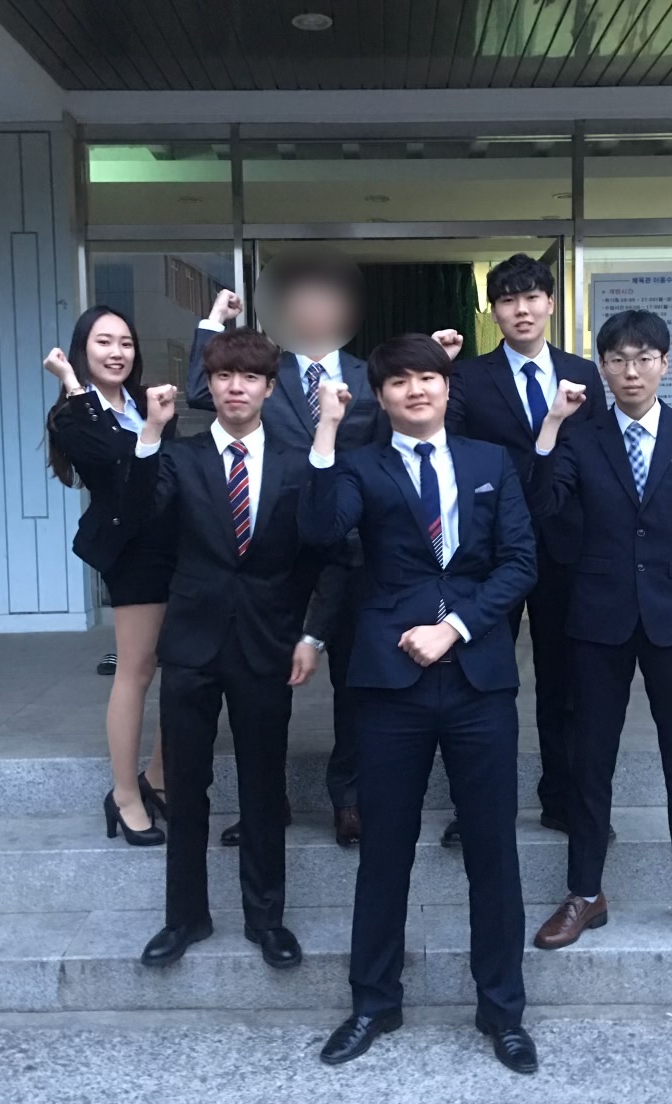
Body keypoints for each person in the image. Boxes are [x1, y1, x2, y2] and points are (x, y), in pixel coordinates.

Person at [302, 335, 539, 1075]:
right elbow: (318, 530)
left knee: (493, 851)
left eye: (427, 377)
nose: (415, 390)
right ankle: (373, 1002)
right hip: (388, 685)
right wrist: (327, 429)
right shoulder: (359, 465)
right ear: (381, 396)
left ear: (446, 386)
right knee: (384, 852)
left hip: (477, 680)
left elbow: (520, 563)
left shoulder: (490, 462)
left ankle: (502, 1011)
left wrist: (454, 627)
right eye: (399, 381)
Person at [527, 309, 672, 957]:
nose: (631, 371)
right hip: (598, 621)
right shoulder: (579, 435)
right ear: (601, 367)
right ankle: (585, 894)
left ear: (665, 364)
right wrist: (551, 425)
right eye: (618, 359)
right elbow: (543, 507)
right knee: (590, 759)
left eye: (644, 358)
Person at [127, 328, 345, 971]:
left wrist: (312, 635)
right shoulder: (179, 457)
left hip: (268, 643)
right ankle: (185, 917)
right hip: (191, 643)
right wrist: (149, 433)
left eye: (249, 377)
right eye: (223, 376)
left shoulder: (300, 461)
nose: (235, 388)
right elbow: (138, 521)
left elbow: (329, 554)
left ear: (270, 389)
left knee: (262, 784)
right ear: (210, 384)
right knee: (186, 784)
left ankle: (266, 919)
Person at [188, 267, 383, 849]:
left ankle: (349, 798)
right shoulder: (265, 372)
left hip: (350, 548)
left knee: (354, 682)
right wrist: (213, 323)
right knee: (265, 686)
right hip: (272, 549)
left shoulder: (368, 375)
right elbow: (201, 391)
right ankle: (267, 802)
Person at [437, 252, 607, 848]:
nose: (522, 309)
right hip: (490, 550)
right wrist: (437, 368)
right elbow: (449, 451)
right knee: (483, 679)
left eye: (532, 296)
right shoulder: (468, 377)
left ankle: (562, 800)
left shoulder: (583, 373)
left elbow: (596, 460)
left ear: (551, 303)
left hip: (566, 547)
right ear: (494, 311)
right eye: (508, 300)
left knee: (566, 682)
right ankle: (478, 807)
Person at [45, 307, 172, 847]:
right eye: (104, 342)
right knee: (136, 670)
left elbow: (165, 468)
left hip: (179, 544)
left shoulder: (143, 402)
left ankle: (157, 779)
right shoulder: (72, 415)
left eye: (125, 342)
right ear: (83, 349)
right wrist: (72, 384)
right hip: (134, 552)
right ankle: (123, 794)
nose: (117, 352)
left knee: (184, 668)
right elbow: (114, 457)